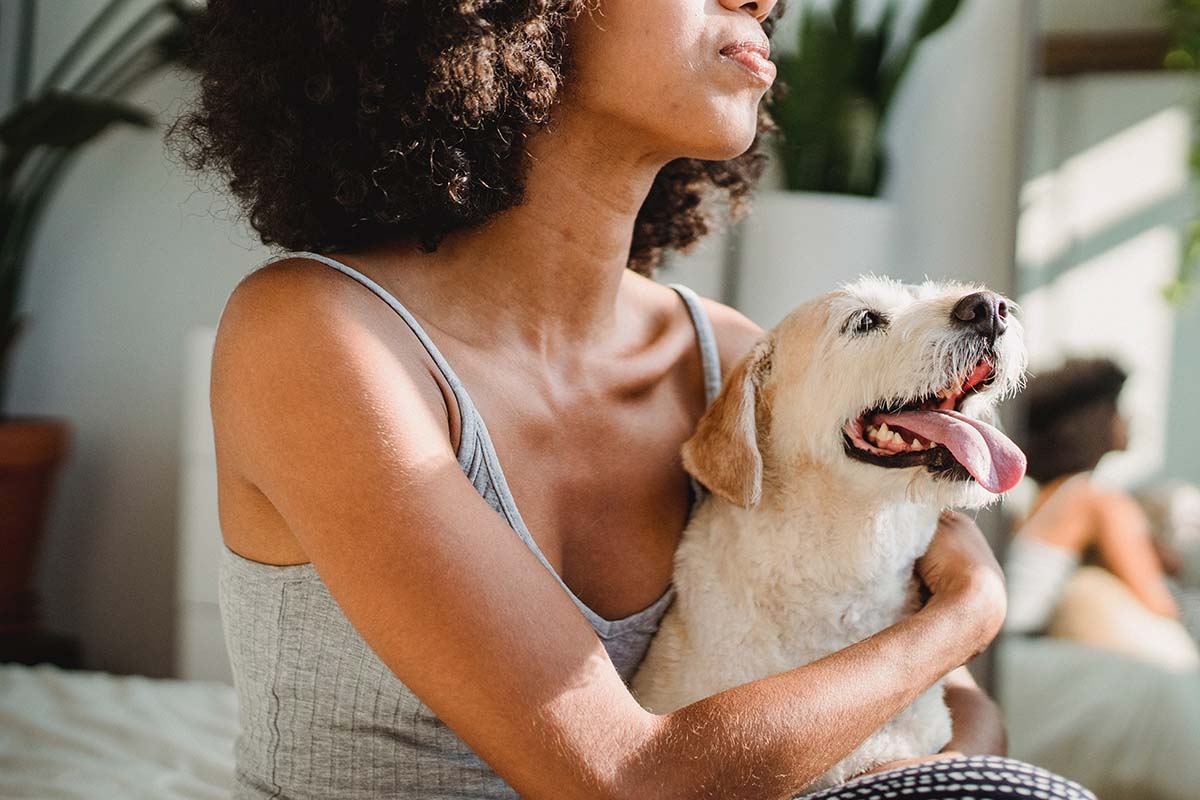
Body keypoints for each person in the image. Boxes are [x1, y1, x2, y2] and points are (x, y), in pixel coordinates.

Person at [167, 2, 1094, 798]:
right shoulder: (318, 335)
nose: (763, 0)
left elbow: (957, 707)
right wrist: (966, 616)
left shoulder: (730, 363)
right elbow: (618, 782)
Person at [1004, 357, 1197, 669]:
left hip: (1006, 648)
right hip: (1018, 652)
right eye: (1118, 410)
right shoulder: (1095, 500)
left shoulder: (1049, 496)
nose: (1129, 419)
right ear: (1096, 421)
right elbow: (1158, 603)